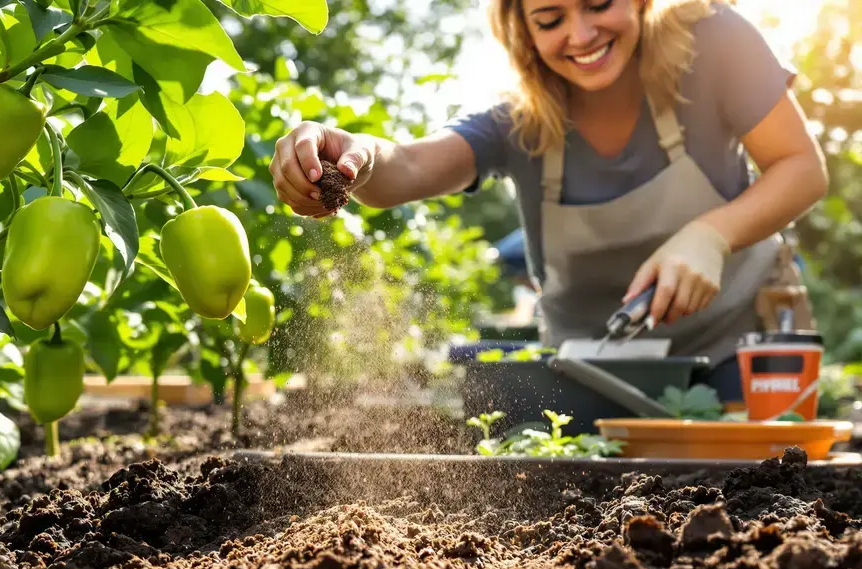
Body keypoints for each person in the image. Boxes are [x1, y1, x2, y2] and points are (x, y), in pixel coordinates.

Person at [268, 0, 827, 404]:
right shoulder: (516, 122)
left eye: (599, 4)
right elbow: (407, 168)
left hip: (741, 356)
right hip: (590, 385)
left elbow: (802, 167)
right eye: (550, 19)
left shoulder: (716, 41)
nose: (581, 35)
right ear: (523, 29)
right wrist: (355, 154)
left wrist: (711, 234)